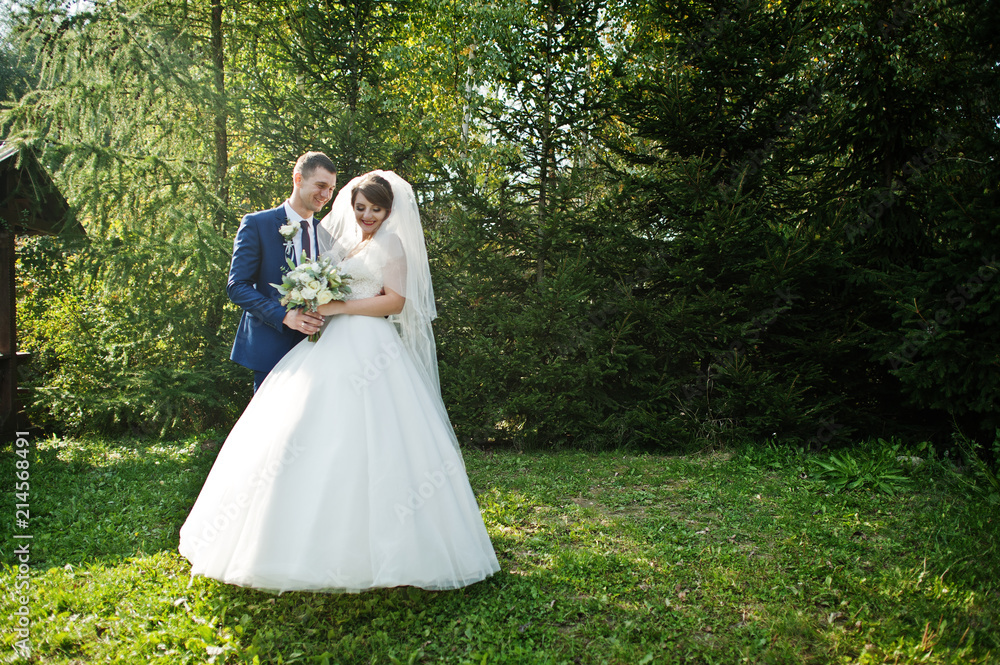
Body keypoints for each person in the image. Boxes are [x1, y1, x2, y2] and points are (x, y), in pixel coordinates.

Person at [179, 171, 500, 592]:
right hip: (332, 344)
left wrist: (338, 307)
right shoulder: (354, 243)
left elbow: (395, 301)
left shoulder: (391, 244)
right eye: (361, 208)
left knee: (375, 436)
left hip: (372, 348)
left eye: (375, 209)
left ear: (389, 211)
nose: (366, 215)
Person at [228, 151, 338, 392]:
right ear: (298, 179)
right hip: (270, 348)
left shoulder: (327, 236)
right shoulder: (257, 224)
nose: (325, 195)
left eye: (331, 189)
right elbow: (237, 287)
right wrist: (285, 316)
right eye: (320, 186)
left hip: (316, 349)